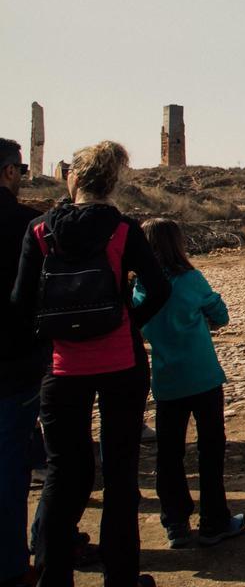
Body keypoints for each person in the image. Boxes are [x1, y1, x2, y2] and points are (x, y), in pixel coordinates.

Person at [10, 141, 171, 587]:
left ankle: (54, 576)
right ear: (113, 182)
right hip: (120, 360)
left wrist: (52, 333)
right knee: (121, 475)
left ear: (73, 178)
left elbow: (21, 303)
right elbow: (159, 288)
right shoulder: (123, 231)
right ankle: (121, 577)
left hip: (62, 367)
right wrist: (128, 321)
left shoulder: (40, 231)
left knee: (64, 472)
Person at [134, 219, 245, 549]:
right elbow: (221, 315)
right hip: (202, 375)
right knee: (211, 451)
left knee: (169, 455)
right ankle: (215, 520)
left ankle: (176, 523)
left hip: (167, 379)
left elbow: (140, 328)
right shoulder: (190, 279)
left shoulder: (140, 288)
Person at [0, 140, 42, 587]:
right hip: (15, 361)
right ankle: (16, 563)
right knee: (14, 466)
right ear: (10, 172)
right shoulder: (25, 226)